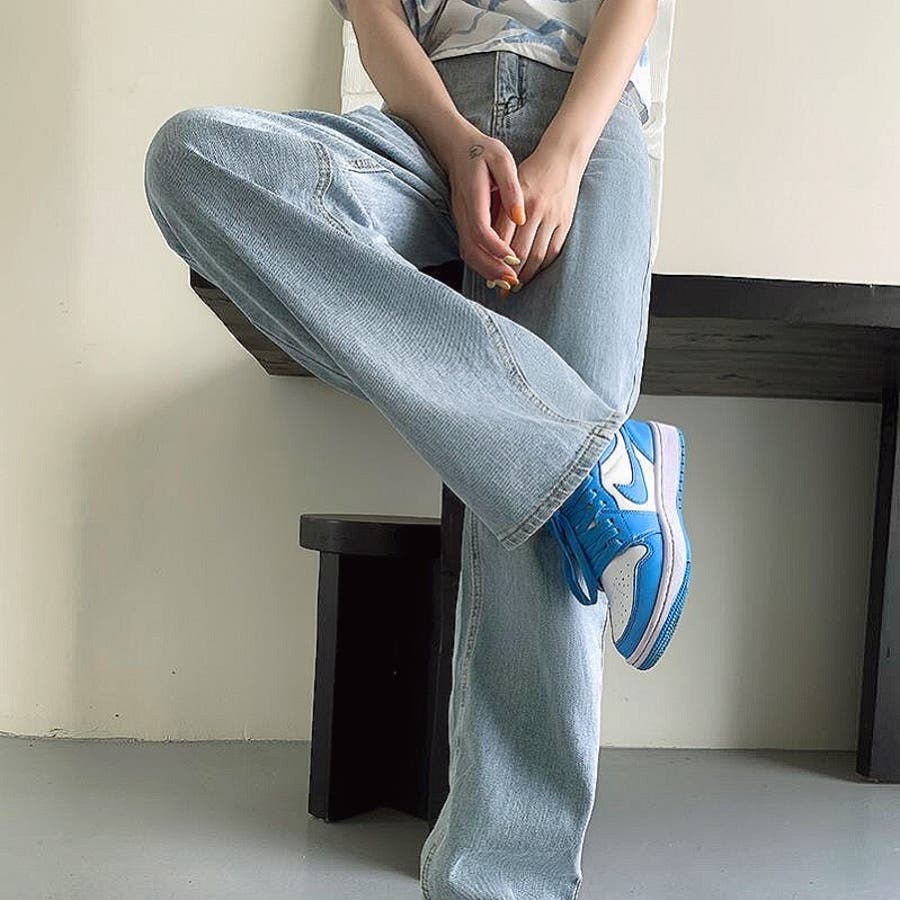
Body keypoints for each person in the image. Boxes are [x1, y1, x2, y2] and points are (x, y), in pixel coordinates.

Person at [142, 0, 691, 896]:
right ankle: (591, 460)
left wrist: (564, 153)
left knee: (535, 507)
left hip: (586, 122)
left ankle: (505, 880)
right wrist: (456, 142)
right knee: (191, 160)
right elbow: (375, 19)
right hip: (426, 127)